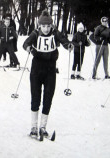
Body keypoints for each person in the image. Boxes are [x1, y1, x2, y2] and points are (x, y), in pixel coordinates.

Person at [23, 10, 73, 138]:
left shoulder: (55, 33)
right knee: (36, 97)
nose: (46, 29)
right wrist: (29, 48)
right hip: (36, 69)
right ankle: (34, 127)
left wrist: (68, 45)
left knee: (48, 98)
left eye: (48, 26)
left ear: (51, 25)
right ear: (40, 25)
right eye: (43, 26)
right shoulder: (35, 33)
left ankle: (43, 127)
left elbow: (63, 40)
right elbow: (25, 43)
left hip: (50, 69)